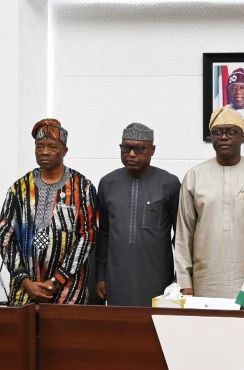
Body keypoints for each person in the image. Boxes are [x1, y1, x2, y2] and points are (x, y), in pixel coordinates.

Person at [175, 106, 244, 298]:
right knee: (207, 318)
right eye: (217, 132)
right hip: (204, 280)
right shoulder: (194, 177)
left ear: (242, 136)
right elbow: (183, 235)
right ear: (212, 137)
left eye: (231, 131)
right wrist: (184, 282)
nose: (224, 137)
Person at [0, 118, 97, 306]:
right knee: (24, 326)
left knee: (66, 327)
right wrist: (24, 280)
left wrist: (57, 280)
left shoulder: (82, 187)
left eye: (52, 147)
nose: (44, 152)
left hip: (69, 292)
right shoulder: (19, 189)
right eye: (39, 146)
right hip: (24, 290)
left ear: (65, 151)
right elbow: (5, 236)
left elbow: (88, 237)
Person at [95, 123, 181, 306]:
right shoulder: (107, 183)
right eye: (125, 148)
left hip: (158, 276)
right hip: (116, 276)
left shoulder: (169, 184)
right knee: (120, 321)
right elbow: (104, 232)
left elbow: (180, 235)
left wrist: (179, 276)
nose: (131, 154)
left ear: (152, 150)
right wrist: (101, 275)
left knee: (155, 320)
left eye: (139, 149)